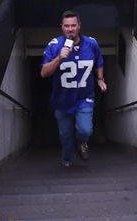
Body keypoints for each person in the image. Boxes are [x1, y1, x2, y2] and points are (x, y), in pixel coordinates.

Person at [41, 10, 107, 167]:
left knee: (85, 130)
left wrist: (100, 79)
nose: (70, 29)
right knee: (65, 134)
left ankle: (82, 143)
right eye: (66, 26)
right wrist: (59, 58)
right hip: (62, 99)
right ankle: (67, 157)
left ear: (79, 26)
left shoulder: (91, 43)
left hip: (84, 97)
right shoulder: (55, 46)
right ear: (62, 27)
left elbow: (99, 61)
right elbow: (44, 73)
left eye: (73, 25)